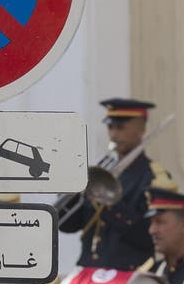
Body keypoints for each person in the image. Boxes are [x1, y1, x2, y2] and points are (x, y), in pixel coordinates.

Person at [59, 98, 175, 269]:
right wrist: (68, 196)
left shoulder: (154, 177)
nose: (113, 134)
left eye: (120, 128)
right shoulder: (101, 169)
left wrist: (110, 202)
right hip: (90, 269)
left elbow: (147, 237)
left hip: (127, 272)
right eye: (110, 127)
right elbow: (69, 225)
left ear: (141, 129)